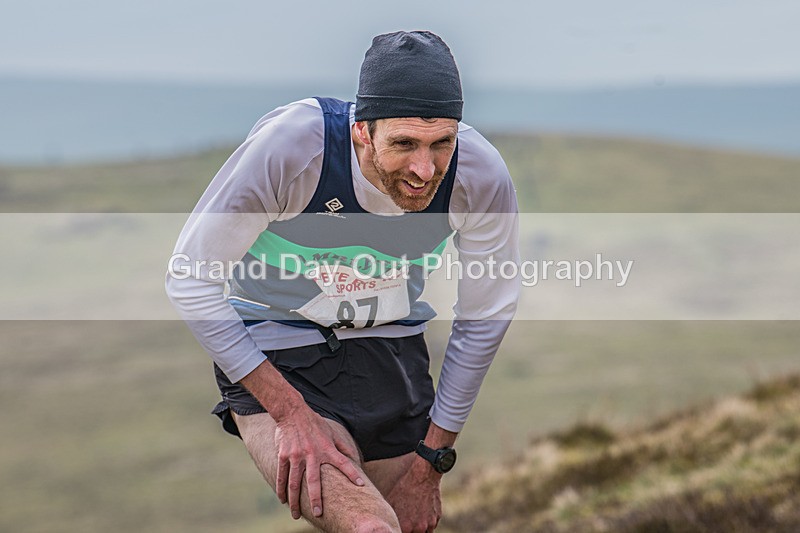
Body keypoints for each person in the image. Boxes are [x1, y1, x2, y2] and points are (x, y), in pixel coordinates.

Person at [166, 30, 519, 532]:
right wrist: (289, 413)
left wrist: (432, 462)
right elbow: (189, 278)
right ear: (361, 131)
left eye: (442, 143)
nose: (425, 168)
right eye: (404, 144)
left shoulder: (478, 175)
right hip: (279, 355)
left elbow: (486, 318)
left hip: (394, 355)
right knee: (370, 528)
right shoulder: (292, 149)